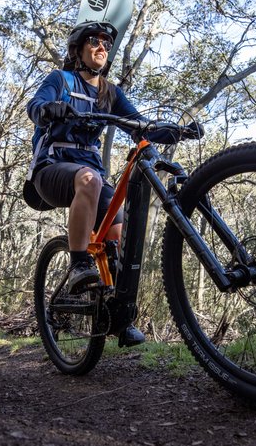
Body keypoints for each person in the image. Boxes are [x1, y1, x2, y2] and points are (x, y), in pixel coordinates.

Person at [26, 21, 200, 347]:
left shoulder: (110, 92)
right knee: (90, 181)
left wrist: (177, 131)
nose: (102, 46)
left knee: (116, 232)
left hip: (88, 175)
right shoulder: (60, 80)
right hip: (52, 171)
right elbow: (34, 107)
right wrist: (50, 109)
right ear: (78, 49)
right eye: (94, 40)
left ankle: (116, 316)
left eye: (107, 42)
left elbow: (140, 127)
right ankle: (79, 265)